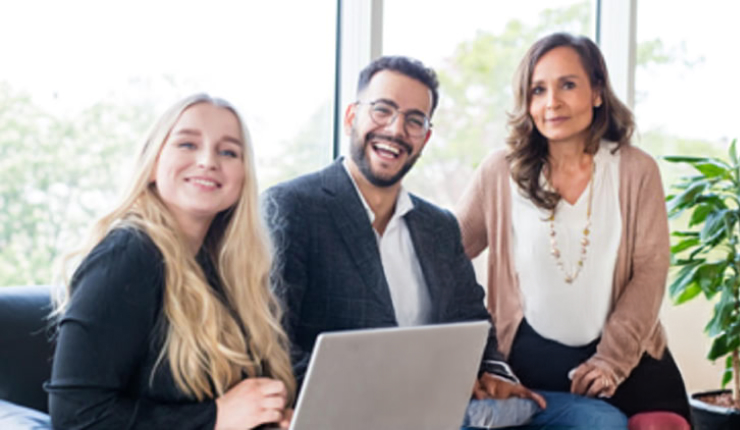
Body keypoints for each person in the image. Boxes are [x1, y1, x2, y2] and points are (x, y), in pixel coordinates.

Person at [264, 55, 627, 429]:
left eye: (414, 120)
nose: (395, 129)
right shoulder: (292, 207)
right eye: (383, 110)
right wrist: (394, 391)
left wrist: (494, 374)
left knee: (599, 420)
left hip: (451, 409)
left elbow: (473, 321)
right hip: (357, 413)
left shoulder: (437, 226)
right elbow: (272, 343)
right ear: (351, 117)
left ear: (425, 138)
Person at [455, 32, 691, 425]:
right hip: (529, 361)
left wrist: (611, 361)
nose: (552, 103)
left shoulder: (636, 170)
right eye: (538, 90)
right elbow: (445, 255)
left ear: (597, 91)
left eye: (568, 85)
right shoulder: (499, 172)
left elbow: (651, 269)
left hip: (626, 355)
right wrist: (471, 351)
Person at [47, 94, 296, 429]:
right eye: (187, 144)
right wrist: (215, 418)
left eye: (228, 151)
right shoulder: (126, 256)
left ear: (243, 177)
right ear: (152, 164)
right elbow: (76, 417)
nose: (208, 161)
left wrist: (274, 415)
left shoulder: (225, 265)